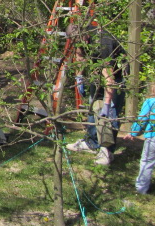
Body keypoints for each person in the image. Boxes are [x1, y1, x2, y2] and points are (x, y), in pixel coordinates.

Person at [65, 23, 126, 166]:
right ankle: (92, 143)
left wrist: (107, 103)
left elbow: (109, 78)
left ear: (85, 35)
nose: (78, 44)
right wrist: (79, 77)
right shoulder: (83, 38)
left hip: (115, 77)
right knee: (93, 108)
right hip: (97, 74)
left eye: (79, 41)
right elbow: (80, 56)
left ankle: (107, 152)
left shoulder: (102, 42)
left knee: (109, 114)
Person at [124, 82, 155, 194]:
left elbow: (142, 119)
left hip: (152, 138)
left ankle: (141, 188)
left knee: (147, 162)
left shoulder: (150, 103)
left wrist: (133, 132)